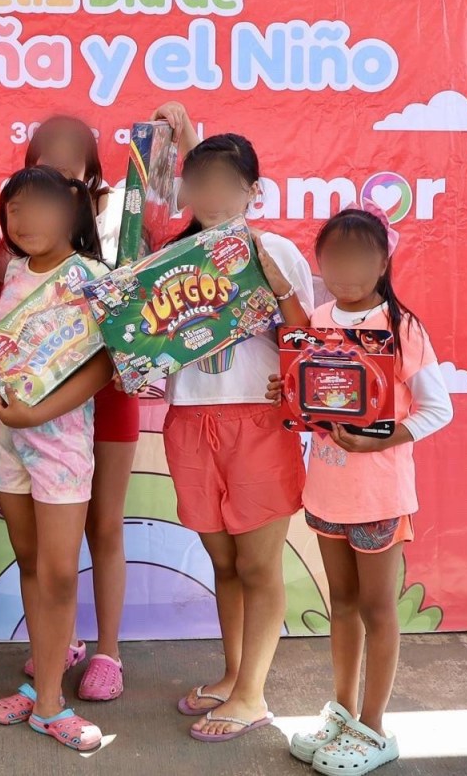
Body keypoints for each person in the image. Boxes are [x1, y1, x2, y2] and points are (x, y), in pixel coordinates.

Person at [20, 103, 199, 699]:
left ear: (93, 162)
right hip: (46, 407)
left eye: (74, 150)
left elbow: (185, 214)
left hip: (112, 393)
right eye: (50, 150)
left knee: (103, 525)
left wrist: (183, 138)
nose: (62, 160)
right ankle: (59, 639)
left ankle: (109, 653)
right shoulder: (20, 224)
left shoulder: (124, 214)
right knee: (54, 538)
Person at [269, 202, 453, 776]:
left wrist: (382, 441)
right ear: (320, 263)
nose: (346, 268)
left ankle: (375, 728)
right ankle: (343, 715)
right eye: (334, 257)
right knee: (341, 606)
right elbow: (312, 400)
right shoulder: (317, 320)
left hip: (380, 496)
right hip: (326, 491)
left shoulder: (402, 327)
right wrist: (289, 387)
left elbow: (437, 408)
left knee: (378, 609)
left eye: (359, 256)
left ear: (382, 263)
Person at [163, 134, 315, 742]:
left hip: (258, 419)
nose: (214, 196)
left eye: (229, 184)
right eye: (201, 183)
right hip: (190, 421)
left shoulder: (274, 247)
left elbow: (306, 338)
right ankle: (233, 675)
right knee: (223, 560)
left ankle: (253, 695)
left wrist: (269, 276)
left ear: (254, 191)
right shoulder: (170, 259)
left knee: (257, 564)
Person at [0, 166, 110, 750]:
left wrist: (37, 414)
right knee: (31, 563)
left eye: (40, 209)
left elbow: (104, 367)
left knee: (59, 573)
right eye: (16, 211)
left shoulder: (89, 276)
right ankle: (42, 687)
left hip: (57, 439)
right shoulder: (9, 271)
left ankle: (52, 704)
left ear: (72, 213)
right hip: (1, 434)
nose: (27, 221)